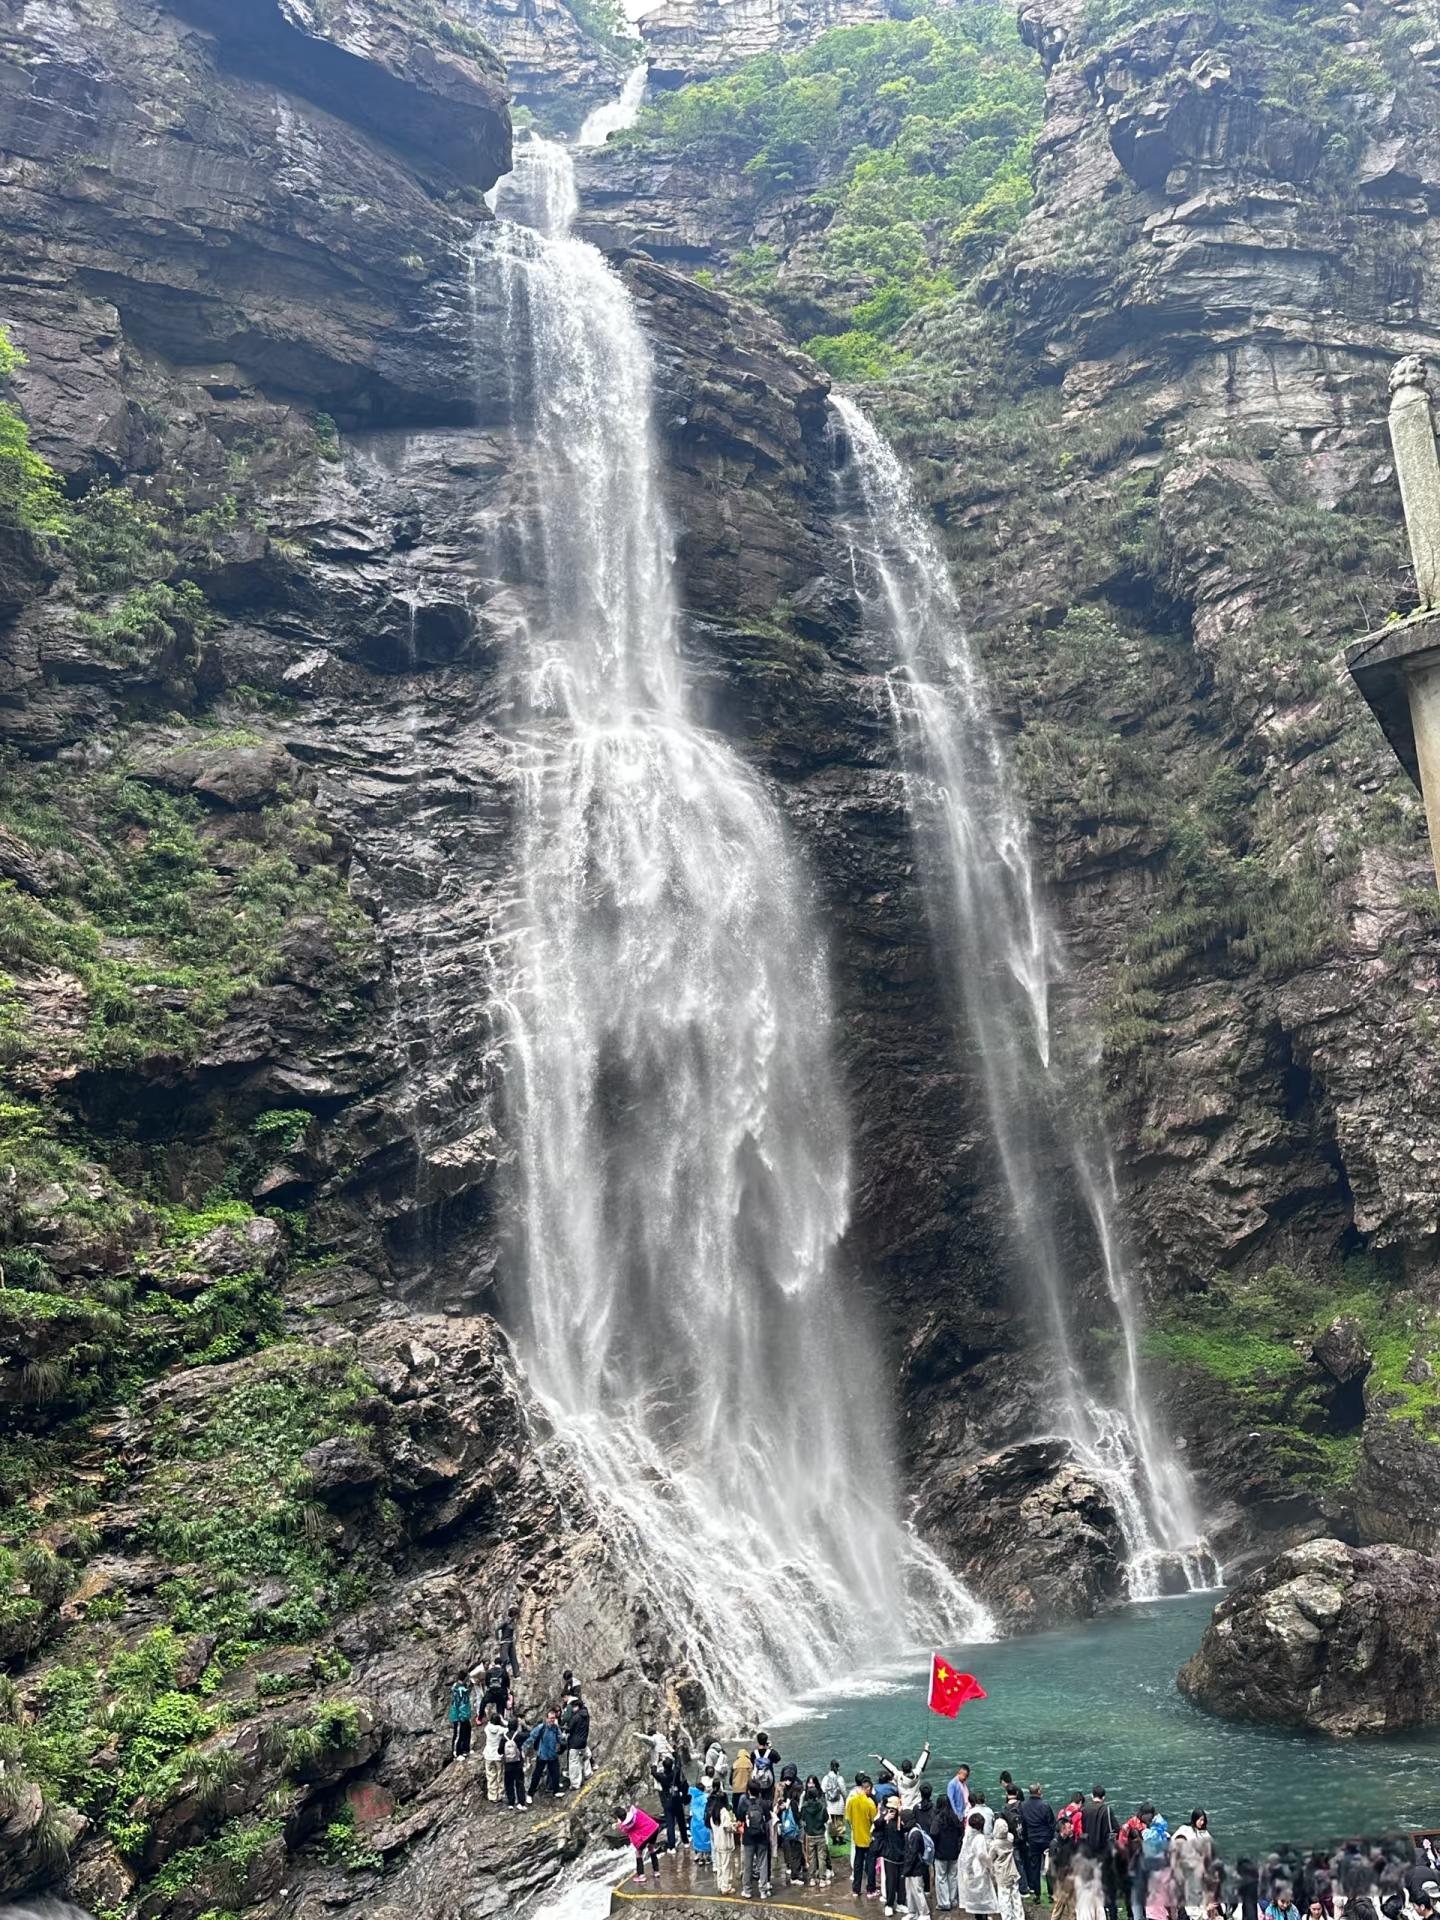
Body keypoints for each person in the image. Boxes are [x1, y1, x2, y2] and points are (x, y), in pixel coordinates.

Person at [1083, 1788, 1119, 1920]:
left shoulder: (1085, 1810)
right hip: (1104, 1853)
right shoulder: (1106, 1810)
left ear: (1092, 1795)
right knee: (1109, 1885)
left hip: (1089, 1853)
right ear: (1103, 1797)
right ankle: (1112, 1914)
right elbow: (1113, 1830)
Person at [1018, 1785, 1057, 1901]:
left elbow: (1023, 1824)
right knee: (1049, 1867)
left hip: (1032, 1840)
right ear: (1039, 1791)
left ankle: (1036, 1893)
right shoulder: (1045, 1805)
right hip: (1046, 1840)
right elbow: (1052, 1824)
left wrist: (1026, 1838)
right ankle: (1051, 1893)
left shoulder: (1023, 1806)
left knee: (1034, 1867)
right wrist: (1052, 1839)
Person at [960, 1810, 1001, 1920]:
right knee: (984, 1898)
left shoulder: (967, 1836)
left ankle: (978, 1917)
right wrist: (990, 1866)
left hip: (969, 1869)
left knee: (975, 1899)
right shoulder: (980, 1838)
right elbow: (981, 1855)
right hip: (979, 1870)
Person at [1173, 1813, 1214, 1919]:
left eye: (1203, 1820)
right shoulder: (1185, 1829)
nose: (1202, 1822)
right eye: (1200, 1820)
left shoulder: (1205, 1834)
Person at [877, 1743, 931, 1814]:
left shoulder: (899, 1776)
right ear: (911, 1767)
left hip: (905, 1807)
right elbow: (922, 1762)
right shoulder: (917, 1773)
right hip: (917, 1805)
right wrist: (926, 1749)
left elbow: (891, 1768)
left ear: (902, 1769)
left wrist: (881, 1759)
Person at [849, 1773, 879, 1899]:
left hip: (857, 1837)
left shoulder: (852, 1801)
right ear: (868, 1788)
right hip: (869, 1837)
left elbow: (848, 1818)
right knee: (870, 1864)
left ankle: (856, 1889)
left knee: (858, 1864)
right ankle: (871, 1889)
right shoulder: (870, 1802)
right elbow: (875, 1821)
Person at [740, 1785, 772, 1900]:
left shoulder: (744, 1803)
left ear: (748, 1791)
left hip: (748, 1838)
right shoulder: (764, 1803)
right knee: (763, 1864)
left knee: (748, 1865)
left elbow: (740, 1818)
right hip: (762, 1838)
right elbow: (768, 1819)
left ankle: (747, 1890)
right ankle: (763, 1890)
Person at [935, 1792, 965, 1912]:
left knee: (941, 1877)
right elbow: (961, 1832)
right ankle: (953, 1900)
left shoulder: (938, 1819)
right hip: (954, 1852)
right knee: (953, 1876)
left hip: (940, 1852)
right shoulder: (955, 1817)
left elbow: (933, 1833)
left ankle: (944, 1903)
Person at [616, 1800, 661, 1882]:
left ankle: (641, 1875)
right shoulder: (636, 1812)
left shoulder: (625, 1826)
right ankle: (656, 1871)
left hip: (645, 1835)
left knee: (638, 1853)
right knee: (651, 1848)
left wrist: (619, 1823)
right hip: (654, 1828)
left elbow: (622, 1829)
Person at [877, 1802, 908, 1916]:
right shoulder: (884, 1820)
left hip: (901, 1856)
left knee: (901, 1882)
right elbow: (876, 1827)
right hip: (889, 1857)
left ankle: (901, 1903)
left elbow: (908, 1828)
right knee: (890, 1881)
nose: (892, 1811)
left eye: (894, 1809)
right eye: (890, 1809)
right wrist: (884, 1818)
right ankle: (889, 1905)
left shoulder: (901, 1821)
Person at [801, 1775, 831, 1888]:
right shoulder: (821, 1807)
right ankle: (822, 1879)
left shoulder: (805, 1807)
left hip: (810, 1835)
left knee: (811, 1858)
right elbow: (826, 1819)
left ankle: (812, 1878)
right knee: (821, 1857)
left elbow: (802, 1818)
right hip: (820, 1834)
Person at [525, 1711, 563, 1798]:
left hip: (552, 1755)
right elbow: (532, 1736)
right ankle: (530, 1794)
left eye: (553, 1718)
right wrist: (525, 1747)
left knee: (555, 1774)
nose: (552, 1720)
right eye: (551, 1718)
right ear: (547, 1718)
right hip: (542, 1755)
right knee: (537, 1775)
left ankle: (556, 1791)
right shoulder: (541, 1727)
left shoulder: (556, 1728)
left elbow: (560, 1739)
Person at [710, 1783, 738, 1893]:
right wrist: (734, 1826)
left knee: (720, 1865)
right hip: (725, 1843)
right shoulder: (724, 1813)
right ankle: (725, 1887)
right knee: (726, 1866)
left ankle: (720, 1884)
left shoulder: (713, 1812)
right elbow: (727, 1827)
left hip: (717, 1842)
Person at [995, 1814, 1024, 1920]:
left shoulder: (994, 1845)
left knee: (1004, 1899)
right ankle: (1019, 1917)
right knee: (1016, 1896)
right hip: (1013, 1871)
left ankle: (1007, 1917)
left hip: (1002, 1875)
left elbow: (990, 1858)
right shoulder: (1010, 1838)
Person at [904, 1810, 931, 1920]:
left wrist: (906, 1869)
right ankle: (912, 1911)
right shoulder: (913, 1830)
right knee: (910, 1891)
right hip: (911, 1868)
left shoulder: (915, 1834)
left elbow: (913, 1854)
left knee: (918, 1891)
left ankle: (925, 1913)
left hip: (916, 1868)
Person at [564, 1692, 590, 1793]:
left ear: (577, 1707)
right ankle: (587, 1774)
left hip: (574, 1743)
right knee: (584, 1758)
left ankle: (575, 1784)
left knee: (574, 1763)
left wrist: (562, 1728)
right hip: (583, 1742)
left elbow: (569, 1728)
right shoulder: (586, 1715)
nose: (572, 1709)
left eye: (573, 1707)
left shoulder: (576, 1717)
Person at [502, 1716, 528, 1808]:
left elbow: (500, 1750)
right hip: (518, 1763)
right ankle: (521, 1802)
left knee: (509, 1783)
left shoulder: (504, 1737)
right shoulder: (519, 1736)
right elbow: (528, 1734)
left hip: (508, 1764)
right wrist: (523, 1725)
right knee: (519, 1782)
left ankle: (511, 1803)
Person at [481, 1708, 505, 1802]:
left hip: (488, 1754)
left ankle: (492, 1795)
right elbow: (509, 1728)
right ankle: (500, 1795)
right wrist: (503, 1721)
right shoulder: (501, 1730)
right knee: (500, 1775)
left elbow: (489, 1723)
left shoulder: (487, 1728)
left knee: (491, 1775)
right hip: (498, 1755)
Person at [823, 1759, 848, 1847]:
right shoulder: (839, 1778)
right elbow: (843, 1791)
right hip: (838, 1803)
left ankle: (833, 1839)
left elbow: (823, 1790)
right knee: (839, 1822)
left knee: (832, 1822)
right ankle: (840, 1840)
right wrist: (845, 1799)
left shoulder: (826, 1778)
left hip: (829, 1803)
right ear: (838, 1767)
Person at [447, 1678, 473, 1759]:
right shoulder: (458, 1691)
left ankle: (466, 1749)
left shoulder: (463, 1688)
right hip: (459, 1716)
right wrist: (461, 1716)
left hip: (465, 1715)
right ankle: (456, 1753)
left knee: (467, 1730)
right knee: (458, 1734)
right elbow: (459, 1705)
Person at [690, 1779, 712, 1865]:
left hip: (695, 1823)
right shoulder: (705, 1798)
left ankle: (700, 1856)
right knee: (706, 1839)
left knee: (697, 1840)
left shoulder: (694, 1798)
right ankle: (707, 1856)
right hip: (704, 1822)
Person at [732, 1742, 753, 1811]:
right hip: (745, 1790)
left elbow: (731, 1778)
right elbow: (751, 1778)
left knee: (735, 1807)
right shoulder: (749, 1764)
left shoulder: (735, 1764)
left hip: (736, 1789)